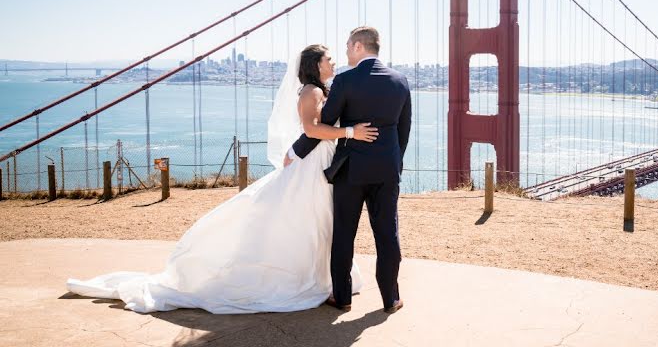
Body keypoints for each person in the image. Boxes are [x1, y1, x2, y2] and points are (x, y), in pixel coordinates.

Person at [65, 44, 374, 314]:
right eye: (329, 58)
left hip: (316, 163)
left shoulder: (322, 90)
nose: (334, 63)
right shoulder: (312, 91)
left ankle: (321, 277)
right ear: (316, 65)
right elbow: (311, 130)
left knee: (317, 223)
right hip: (310, 167)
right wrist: (350, 132)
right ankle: (304, 278)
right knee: (307, 222)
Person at [288, 26, 411, 314]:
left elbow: (325, 125)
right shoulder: (400, 80)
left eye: (347, 46)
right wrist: (392, 162)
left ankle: (341, 297)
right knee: (388, 234)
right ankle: (391, 298)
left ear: (358, 46)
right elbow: (403, 131)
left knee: (344, 234)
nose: (344, 52)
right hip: (386, 171)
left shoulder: (345, 81)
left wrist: (296, 151)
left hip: (350, 170)